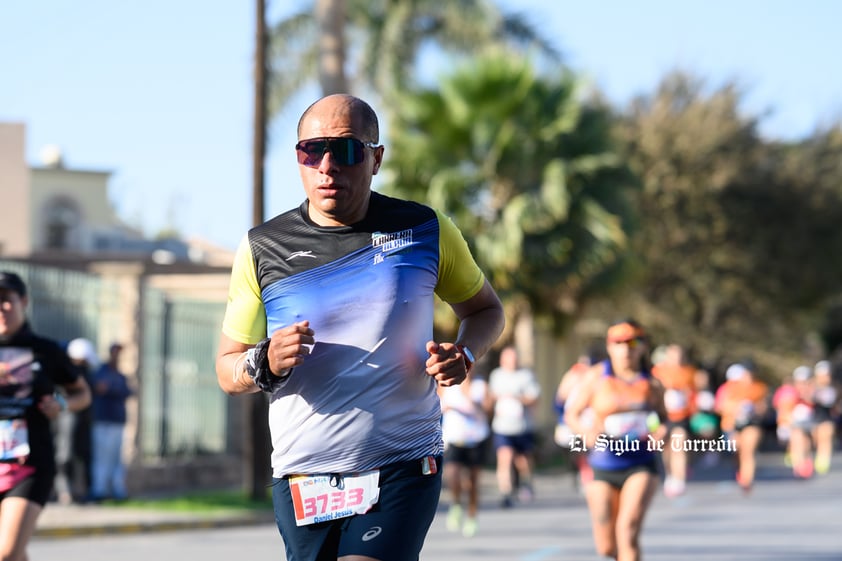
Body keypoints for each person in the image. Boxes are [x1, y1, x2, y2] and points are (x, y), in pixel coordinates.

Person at [214, 94, 505, 561]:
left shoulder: (425, 229)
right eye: (313, 151)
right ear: (298, 158)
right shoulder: (261, 247)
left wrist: (465, 354)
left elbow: (486, 310)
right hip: (303, 476)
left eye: (347, 150)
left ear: (376, 159)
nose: (328, 166)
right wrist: (263, 362)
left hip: (402, 460)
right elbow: (228, 370)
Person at [0, 271, 91, 561]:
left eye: (7, 300)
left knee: (7, 552)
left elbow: (83, 394)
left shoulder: (45, 350)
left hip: (30, 465)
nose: (1, 309)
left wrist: (61, 404)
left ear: (23, 301)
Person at [564, 319, 667, 561]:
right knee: (607, 547)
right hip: (603, 463)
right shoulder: (596, 377)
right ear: (610, 346)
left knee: (627, 531)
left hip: (641, 462)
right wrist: (586, 433)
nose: (625, 348)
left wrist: (659, 431)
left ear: (642, 346)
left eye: (631, 342)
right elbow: (572, 414)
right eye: (618, 342)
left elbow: (660, 418)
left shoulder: (652, 382)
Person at [486, 345, 541, 508]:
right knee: (505, 457)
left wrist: (517, 398)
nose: (511, 361)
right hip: (502, 426)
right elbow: (491, 396)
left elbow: (534, 398)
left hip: (522, 426)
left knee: (523, 461)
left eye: (514, 358)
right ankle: (506, 493)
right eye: (508, 358)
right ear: (502, 360)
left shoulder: (526, 375)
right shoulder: (496, 375)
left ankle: (526, 482)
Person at [438, 368, 489, 538]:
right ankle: (456, 503)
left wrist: (467, 390)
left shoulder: (480, 385)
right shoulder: (446, 385)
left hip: (476, 438)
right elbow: (437, 404)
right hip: (454, 437)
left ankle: (472, 516)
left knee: (472, 482)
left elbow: (488, 409)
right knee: (453, 474)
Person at [714, 362, 769, 492]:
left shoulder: (759, 388)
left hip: (751, 423)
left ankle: (747, 479)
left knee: (748, 450)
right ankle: (740, 470)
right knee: (737, 451)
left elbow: (765, 408)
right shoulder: (729, 388)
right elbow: (719, 406)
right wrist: (735, 408)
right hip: (732, 424)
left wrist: (754, 409)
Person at [651, 343, 697, 497]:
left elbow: (693, 393)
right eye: (673, 355)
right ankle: (670, 475)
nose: (676, 358)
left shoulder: (689, 372)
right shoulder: (658, 372)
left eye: (679, 355)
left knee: (680, 444)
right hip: (663, 415)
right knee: (667, 449)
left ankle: (680, 479)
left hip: (681, 415)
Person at [89, 342, 133, 502]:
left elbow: (127, 391)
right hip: (103, 421)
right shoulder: (101, 372)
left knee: (116, 459)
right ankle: (99, 490)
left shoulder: (120, 375)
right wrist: (115, 389)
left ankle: (117, 489)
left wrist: (113, 389)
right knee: (102, 457)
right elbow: (101, 388)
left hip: (117, 421)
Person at [62, 337, 97, 503]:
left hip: (84, 418)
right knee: (66, 454)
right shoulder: (67, 371)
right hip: (68, 418)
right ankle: (65, 490)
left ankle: (84, 490)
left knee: (84, 455)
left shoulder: (86, 373)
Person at [553, 354, 593, 490]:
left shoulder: (593, 379)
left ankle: (586, 477)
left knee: (584, 451)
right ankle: (576, 473)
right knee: (574, 452)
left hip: (587, 423)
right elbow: (559, 402)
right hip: (570, 424)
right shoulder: (570, 378)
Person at [811, 360, 839, 475]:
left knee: (825, 436)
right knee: (817, 439)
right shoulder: (812, 387)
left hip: (827, 417)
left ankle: (823, 460)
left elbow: (833, 403)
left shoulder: (834, 388)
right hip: (813, 418)